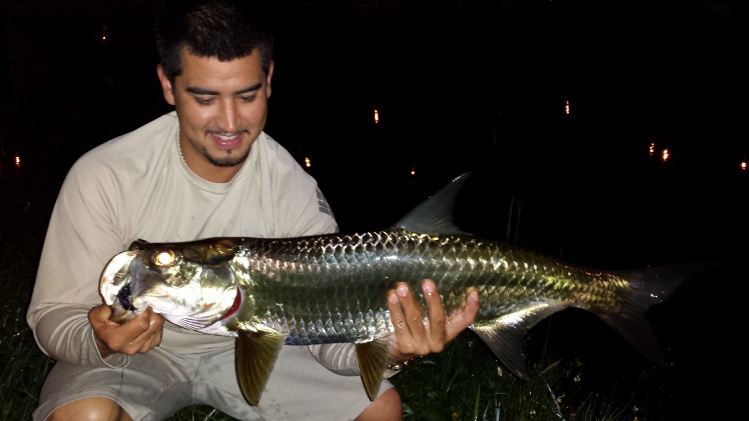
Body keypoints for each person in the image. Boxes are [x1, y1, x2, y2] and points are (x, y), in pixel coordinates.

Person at [26, 0, 480, 420]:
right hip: (139, 357)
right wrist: (101, 340)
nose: (229, 123)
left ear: (269, 80)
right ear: (168, 84)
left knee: (380, 406)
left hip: (263, 344)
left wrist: (393, 345)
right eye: (205, 98)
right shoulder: (106, 174)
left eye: (247, 96)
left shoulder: (293, 190)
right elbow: (51, 315)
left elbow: (330, 344)